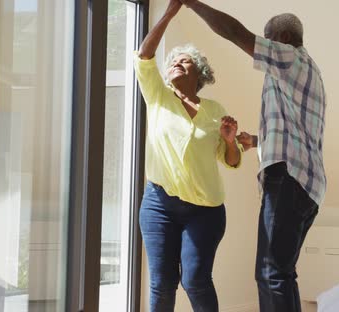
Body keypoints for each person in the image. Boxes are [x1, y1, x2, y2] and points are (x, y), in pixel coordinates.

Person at [179, 1, 327, 311]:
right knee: (282, 274)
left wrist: (190, 3)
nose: (265, 44)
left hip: (288, 179)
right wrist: (259, 141)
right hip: (308, 185)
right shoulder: (309, 70)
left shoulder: (289, 58)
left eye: (268, 37)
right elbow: (300, 134)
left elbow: (234, 32)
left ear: (283, 36)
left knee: (271, 273)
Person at [135, 1, 244, 311]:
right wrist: (169, 13)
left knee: (195, 279)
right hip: (159, 205)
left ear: (200, 74)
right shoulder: (158, 96)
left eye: (185, 62)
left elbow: (231, 160)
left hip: (205, 210)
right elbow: (144, 57)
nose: (176, 64)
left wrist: (230, 141)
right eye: (173, 61)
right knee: (162, 283)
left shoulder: (215, 111)